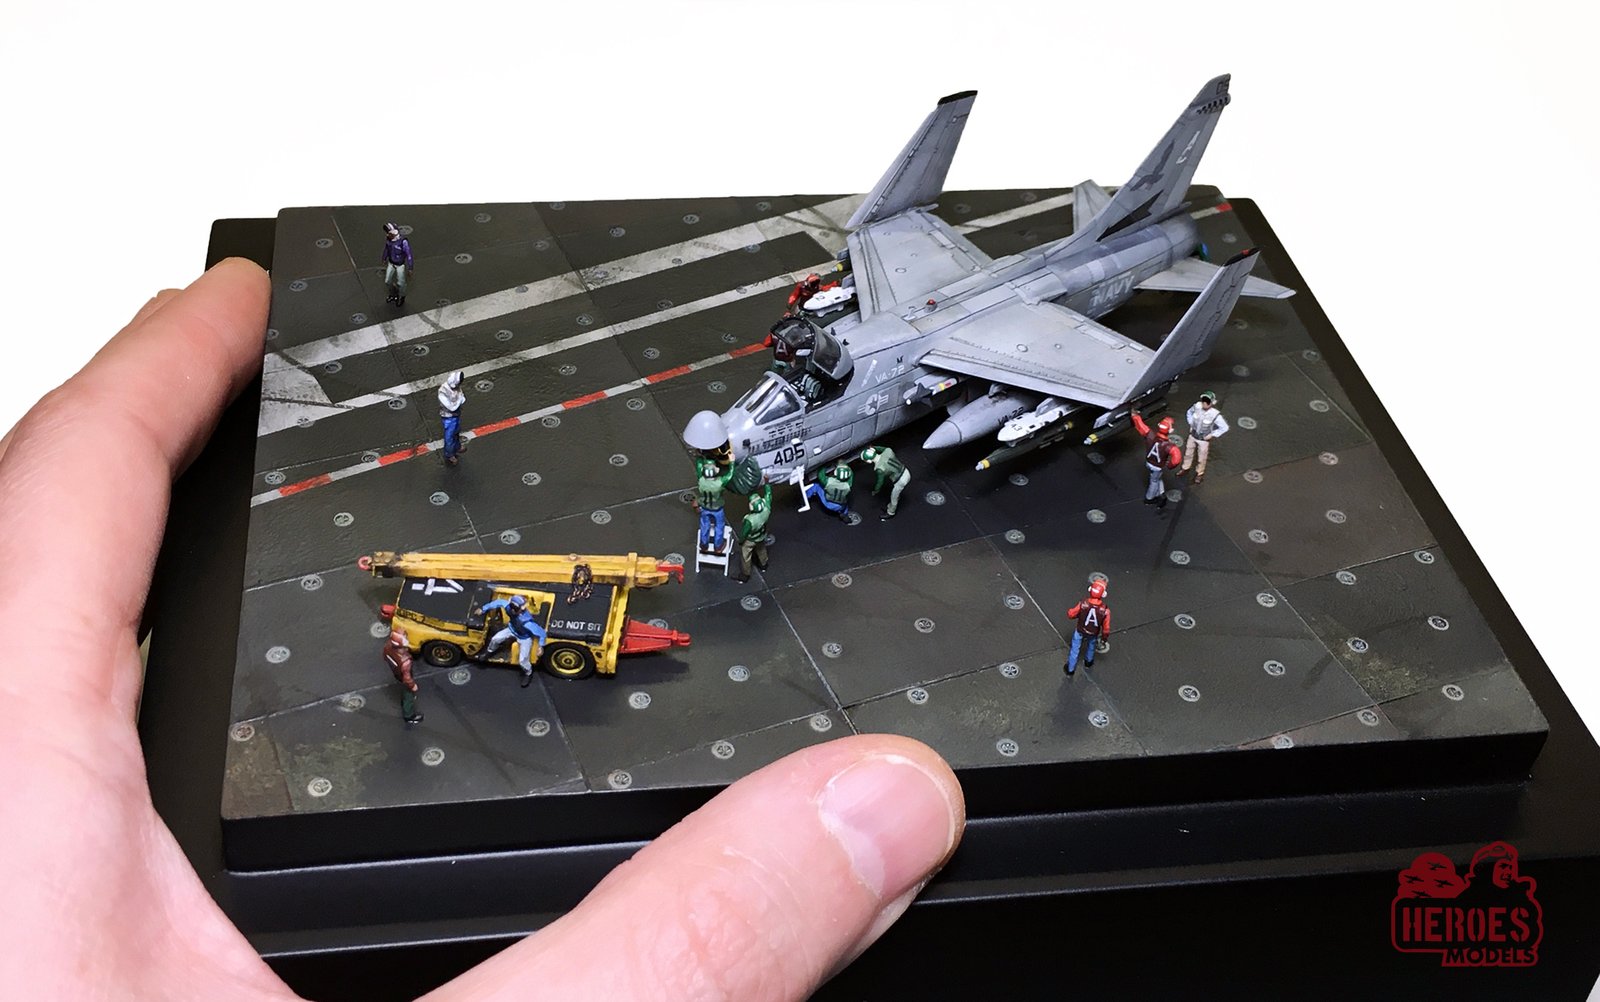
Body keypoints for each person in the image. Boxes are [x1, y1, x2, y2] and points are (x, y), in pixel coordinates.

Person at [0, 259, 963, 1001]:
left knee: (526, 637)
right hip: (525, 626)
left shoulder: (474, 609)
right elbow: (499, 621)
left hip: (543, 615)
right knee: (513, 647)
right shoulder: (451, 625)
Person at [480, 594, 548, 686]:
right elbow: (499, 602)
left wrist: (541, 646)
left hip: (524, 637)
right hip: (512, 629)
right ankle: (489, 652)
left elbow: (541, 632)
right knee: (495, 639)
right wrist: (483, 609)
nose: (524, 608)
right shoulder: (509, 608)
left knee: (523, 660)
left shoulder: (526, 622)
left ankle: (528, 673)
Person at [1131, 409, 1182, 510]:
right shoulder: (1169, 446)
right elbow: (1176, 459)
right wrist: (1170, 466)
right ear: (1170, 430)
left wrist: (1134, 416)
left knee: (1157, 478)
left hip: (1149, 462)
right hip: (1157, 467)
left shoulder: (1150, 435)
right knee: (1154, 481)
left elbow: (1141, 426)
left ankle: (1161, 493)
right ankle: (1149, 498)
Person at [1063, 580, 1112, 676]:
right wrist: (1104, 638)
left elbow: (1071, 614)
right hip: (1093, 633)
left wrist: (1073, 613)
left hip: (1080, 630)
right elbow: (1106, 628)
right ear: (1103, 594)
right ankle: (1088, 662)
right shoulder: (1105, 610)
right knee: (1091, 646)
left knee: (1075, 649)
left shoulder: (1083, 604)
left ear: (1090, 589)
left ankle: (1070, 669)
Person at [1181, 391, 1229, 484]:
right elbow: (1189, 413)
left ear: (1212, 403)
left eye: (1207, 401)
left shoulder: (1214, 414)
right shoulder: (1197, 406)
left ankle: (1199, 473)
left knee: (1201, 458)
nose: (1205, 403)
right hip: (1193, 435)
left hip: (1203, 439)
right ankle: (1185, 468)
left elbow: (1224, 427)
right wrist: (1191, 423)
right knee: (1188, 453)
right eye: (1203, 400)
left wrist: (1212, 434)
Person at [734, 481, 773, 583]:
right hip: (761, 535)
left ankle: (745, 574)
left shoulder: (750, 520)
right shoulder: (766, 509)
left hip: (751, 539)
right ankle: (764, 564)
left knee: (746, 555)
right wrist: (767, 483)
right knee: (761, 549)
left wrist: (741, 541)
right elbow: (768, 494)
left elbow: (745, 532)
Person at [383, 625, 423, 723]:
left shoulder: (388, 647)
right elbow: (407, 679)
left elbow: (385, 656)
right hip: (403, 676)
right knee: (409, 695)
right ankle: (409, 715)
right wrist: (413, 686)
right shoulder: (405, 662)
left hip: (396, 673)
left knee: (403, 687)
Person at [861, 445, 911, 520]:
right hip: (906, 471)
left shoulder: (880, 468)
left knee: (894, 497)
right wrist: (874, 447)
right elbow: (882, 448)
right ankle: (890, 506)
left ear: (869, 461)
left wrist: (876, 490)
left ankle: (891, 512)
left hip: (900, 480)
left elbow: (880, 482)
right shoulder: (888, 451)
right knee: (896, 494)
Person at [695, 459, 734, 552]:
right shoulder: (719, 483)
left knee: (704, 525)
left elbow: (698, 466)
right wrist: (732, 463)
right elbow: (730, 475)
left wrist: (699, 457)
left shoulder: (701, 480)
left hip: (705, 508)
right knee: (719, 526)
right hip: (717, 509)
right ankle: (718, 546)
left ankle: (704, 545)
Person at [381, 221, 413, 307]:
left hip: (400, 265)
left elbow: (409, 255)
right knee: (387, 281)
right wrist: (384, 258)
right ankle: (393, 293)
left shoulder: (403, 242)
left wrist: (410, 267)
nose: (387, 234)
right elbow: (386, 249)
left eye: (389, 233)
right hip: (391, 263)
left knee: (401, 283)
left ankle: (401, 296)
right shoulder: (389, 240)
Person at [438, 370, 466, 467]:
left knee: (456, 432)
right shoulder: (443, 391)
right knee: (449, 437)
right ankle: (449, 454)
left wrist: (460, 399)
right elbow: (451, 407)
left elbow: (462, 397)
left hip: (456, 415)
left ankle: (457, 447)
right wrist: (459, 400)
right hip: (448, 418)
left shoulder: (456, 387)